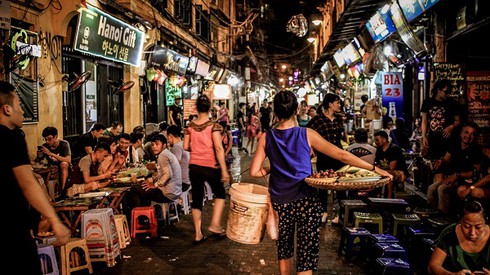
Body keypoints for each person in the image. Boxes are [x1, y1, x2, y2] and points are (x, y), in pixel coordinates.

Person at [249, 90, 392, 275]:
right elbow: (342, 155)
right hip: (306, 199)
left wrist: (273, 166)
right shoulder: (306, 134)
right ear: (295, 112)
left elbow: (254, 171)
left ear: (275, 113)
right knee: (306, 254)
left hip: (280, 201)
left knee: (284, 250)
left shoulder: (266, 137)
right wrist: (375, 169)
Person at [0, 81, 70, 274]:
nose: (22, 111)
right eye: (19, 106)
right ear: (6, 109)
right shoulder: (11, 137)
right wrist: (53, 219)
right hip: (11, 232)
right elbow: (28, 183)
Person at [183, 94, 230, 244]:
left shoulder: (189, 127)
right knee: (220, 193)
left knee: (197, 198)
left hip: (194, 166)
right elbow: (218, 148)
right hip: (210, 165)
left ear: (196, 108)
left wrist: (196, 147)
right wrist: (224, 170)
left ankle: (198, 233)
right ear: (210, 108)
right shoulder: (213, 126)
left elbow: (185, 147)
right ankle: (215, 224)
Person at [427, 122, 485, 214]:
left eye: (472, 134)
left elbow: (475, 172)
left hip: (464, 181)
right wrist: (441, 162)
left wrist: (457, 175)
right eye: (466, 132)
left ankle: (443, 218)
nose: (468, 136)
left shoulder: (476, 150)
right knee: (431, 188)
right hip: (452, 178)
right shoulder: (455, 144)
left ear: (475, 137)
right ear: (461, 133)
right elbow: (446, 159)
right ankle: (432, 216)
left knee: (442, 189)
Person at [307, 93, 347, 223]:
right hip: (324, 155)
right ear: (330, 104)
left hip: (338, 155)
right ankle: (323, 212)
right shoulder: (317, 120)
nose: (339, 105)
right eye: (337, 102)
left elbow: (342, 136)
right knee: (324, 184)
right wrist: (312, 149)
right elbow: (308, 135)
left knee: (340, 185)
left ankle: (341, 213)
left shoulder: (339, 119)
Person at [428, 198, 490, 275]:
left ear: (486, 222)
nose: (472, 232)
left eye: (478, 227)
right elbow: (433, 266)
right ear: (460, 221)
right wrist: (453, 274)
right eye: (467, 226)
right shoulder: (450, 233)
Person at [127, 133, 182, 209]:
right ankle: (149, 214)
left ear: (164, 145)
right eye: (152, 145)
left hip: (167, 193)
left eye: (157, 144)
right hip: (176, 192)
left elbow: (168, 174)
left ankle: (140, 216)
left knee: (134, 189)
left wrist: (155, 185)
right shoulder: (167, 153)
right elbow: (162, 173)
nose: (154, 147)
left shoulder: (163, 155)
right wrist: (152, 179)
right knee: (143, 186)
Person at [421, 79, 460, 160]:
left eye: (449, 92)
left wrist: (451, 127)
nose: (447, 94)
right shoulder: (427, 102)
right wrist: (424, 136)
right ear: (438, 90)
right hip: (432, 138)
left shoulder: (452, 103)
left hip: (447, 139)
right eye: (445, 92)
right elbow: (424, 121)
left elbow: (458, 121)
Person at [35, 126, 72, 191]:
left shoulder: (64, 144)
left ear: (55, 136)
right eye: (45, 139)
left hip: (64, 168)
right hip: (52, 169)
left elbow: (68, 160)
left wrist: (51, 154)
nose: (47, 141)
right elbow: (37, 161)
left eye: (49, 139)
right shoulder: (45, 146)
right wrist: (39, 156)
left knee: (63, 164)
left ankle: (63, 191)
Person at [374, 130, 409, 198]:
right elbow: (377, 165)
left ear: (384, 139)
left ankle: (389, 197)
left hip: (400, 173)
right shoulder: (379, 150)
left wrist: (379, 170)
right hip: (385, 171)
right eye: (375, 140)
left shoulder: (394, 149)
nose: (376, 142)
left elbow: (392, 167)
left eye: (377, 140)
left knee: (389, 174)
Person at [167, 125, 191, 193]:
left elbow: (174, 166)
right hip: (188, 180)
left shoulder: (177, 146)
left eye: (167, 137)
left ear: (170, 136)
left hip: (182, 183)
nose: (168, 141)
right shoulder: (183, 143)